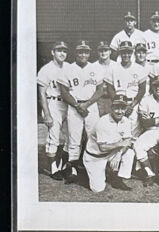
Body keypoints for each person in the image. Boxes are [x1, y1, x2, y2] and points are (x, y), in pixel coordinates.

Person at [58, 40, 104, 183]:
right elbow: (64, 92)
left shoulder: (96, 68)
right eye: (80, 52)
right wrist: (78, 106)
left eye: (86, 52)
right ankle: (72, 168)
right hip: (74, 106)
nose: (83, 54)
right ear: (76, 53)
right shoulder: (67, 69)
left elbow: (100, 90)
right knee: (74, 138)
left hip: (90, 106)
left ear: (89, 53)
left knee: (93, 136)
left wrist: (87, 104)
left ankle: (91, 165)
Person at [82, 95, 135, 193]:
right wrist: (120, 144)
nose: (120, 111)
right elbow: (102, 148)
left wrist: (118, 155)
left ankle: (117, 179)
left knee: (129, 153)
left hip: (111, 152)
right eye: (117, 108)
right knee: (97, 189)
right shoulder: (103, 122)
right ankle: (88, 172)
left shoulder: (126, 121)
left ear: (126, 109)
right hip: (95, 156)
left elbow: (127, 142)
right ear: (111, 108)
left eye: (122, 108)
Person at [133, 75, 159, 187]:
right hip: (150, 131)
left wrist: (152, 120)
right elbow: (144, 123)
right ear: (151, 87)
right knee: (138, 146)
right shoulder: (145, 100)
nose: (158, 88)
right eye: (155, 86)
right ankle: (150, 173)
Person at [37, 41, 70, 180]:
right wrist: (47, 114)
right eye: (59, 50)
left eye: (64, 50)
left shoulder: (69, 67)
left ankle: (62, 164)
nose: (62, 53)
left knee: (71, 137)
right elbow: (41, 94)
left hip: (67, 104)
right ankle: (53, 169)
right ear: (52, 52)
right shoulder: (46, 69)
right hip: (53, 103)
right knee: (53, 137)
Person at [104, 41, 148, 138]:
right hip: (118, 104)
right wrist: (118, 103)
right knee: (117, 132)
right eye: (123, 52)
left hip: (133, 103)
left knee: (133, 133)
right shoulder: (113, 68)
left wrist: (131, 106)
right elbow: (110, 88)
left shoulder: (139, 68)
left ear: (132, 53)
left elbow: (142, 89)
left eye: (128, 52)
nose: (126, 55)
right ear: (120, 53)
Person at [93, 41, 116, 116]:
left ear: (110, 52)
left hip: (112, 98)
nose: (103, 53)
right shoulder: (93, 66)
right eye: (101, 51)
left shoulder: (116, 66)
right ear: (97, 52)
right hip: (98, 99)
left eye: (105, 50)